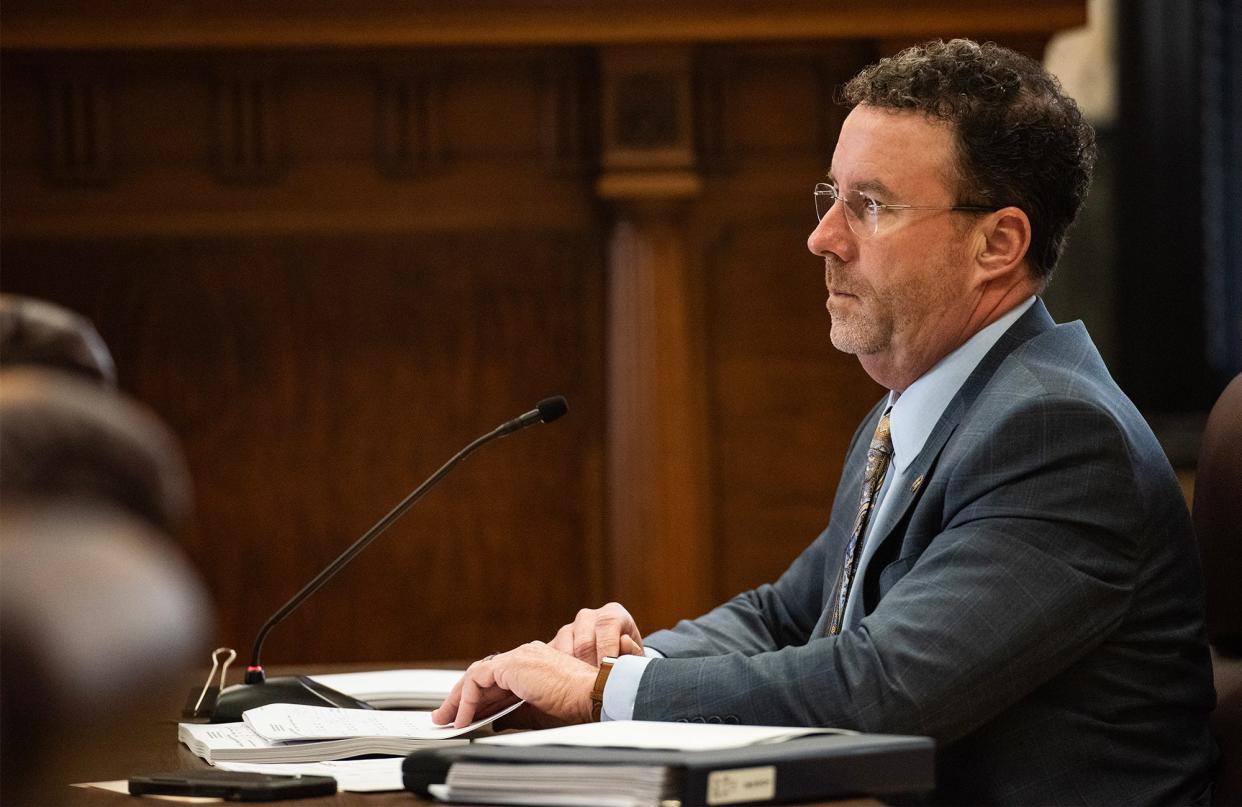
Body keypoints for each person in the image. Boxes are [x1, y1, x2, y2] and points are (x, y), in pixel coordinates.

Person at [433, 39, 1216, 803]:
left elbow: (881, 689)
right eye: (831, 197)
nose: (822, 237)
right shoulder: (917, 408)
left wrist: (605, 692)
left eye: (869, 206)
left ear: (999, 242)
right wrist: (625, 652)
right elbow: (791, 615)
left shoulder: (1058, 435)